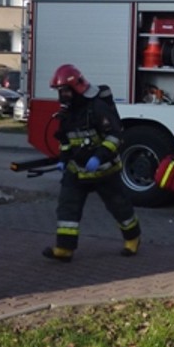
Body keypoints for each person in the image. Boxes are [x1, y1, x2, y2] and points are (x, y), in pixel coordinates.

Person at [43, 63, 141, 262]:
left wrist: (99, 157)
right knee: (67, 208)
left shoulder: (97, 108)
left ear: (76, 89)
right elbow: (66, 141)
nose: (62, 96)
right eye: (59, 91)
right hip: (76, 170)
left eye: (64, 91)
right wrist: (63, 159)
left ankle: (133, 238)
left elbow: (115, 136)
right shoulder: (67, 112)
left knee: (119, 206)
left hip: (104, 170)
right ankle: (64, 249)